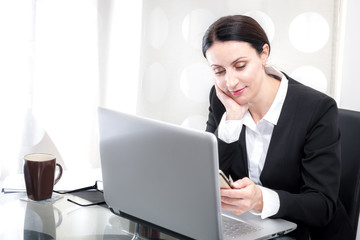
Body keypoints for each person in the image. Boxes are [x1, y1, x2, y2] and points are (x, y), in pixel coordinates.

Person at [202, 15, 355, 239]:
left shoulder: (317, 109)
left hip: (305, 232)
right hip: (249, 226)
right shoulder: (222, 100)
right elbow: (210, 177)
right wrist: (232, 120)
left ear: (263, 54)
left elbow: (322, 205)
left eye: (240, 66)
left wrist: (261, 200)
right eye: (219, 71)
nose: (230, 82)